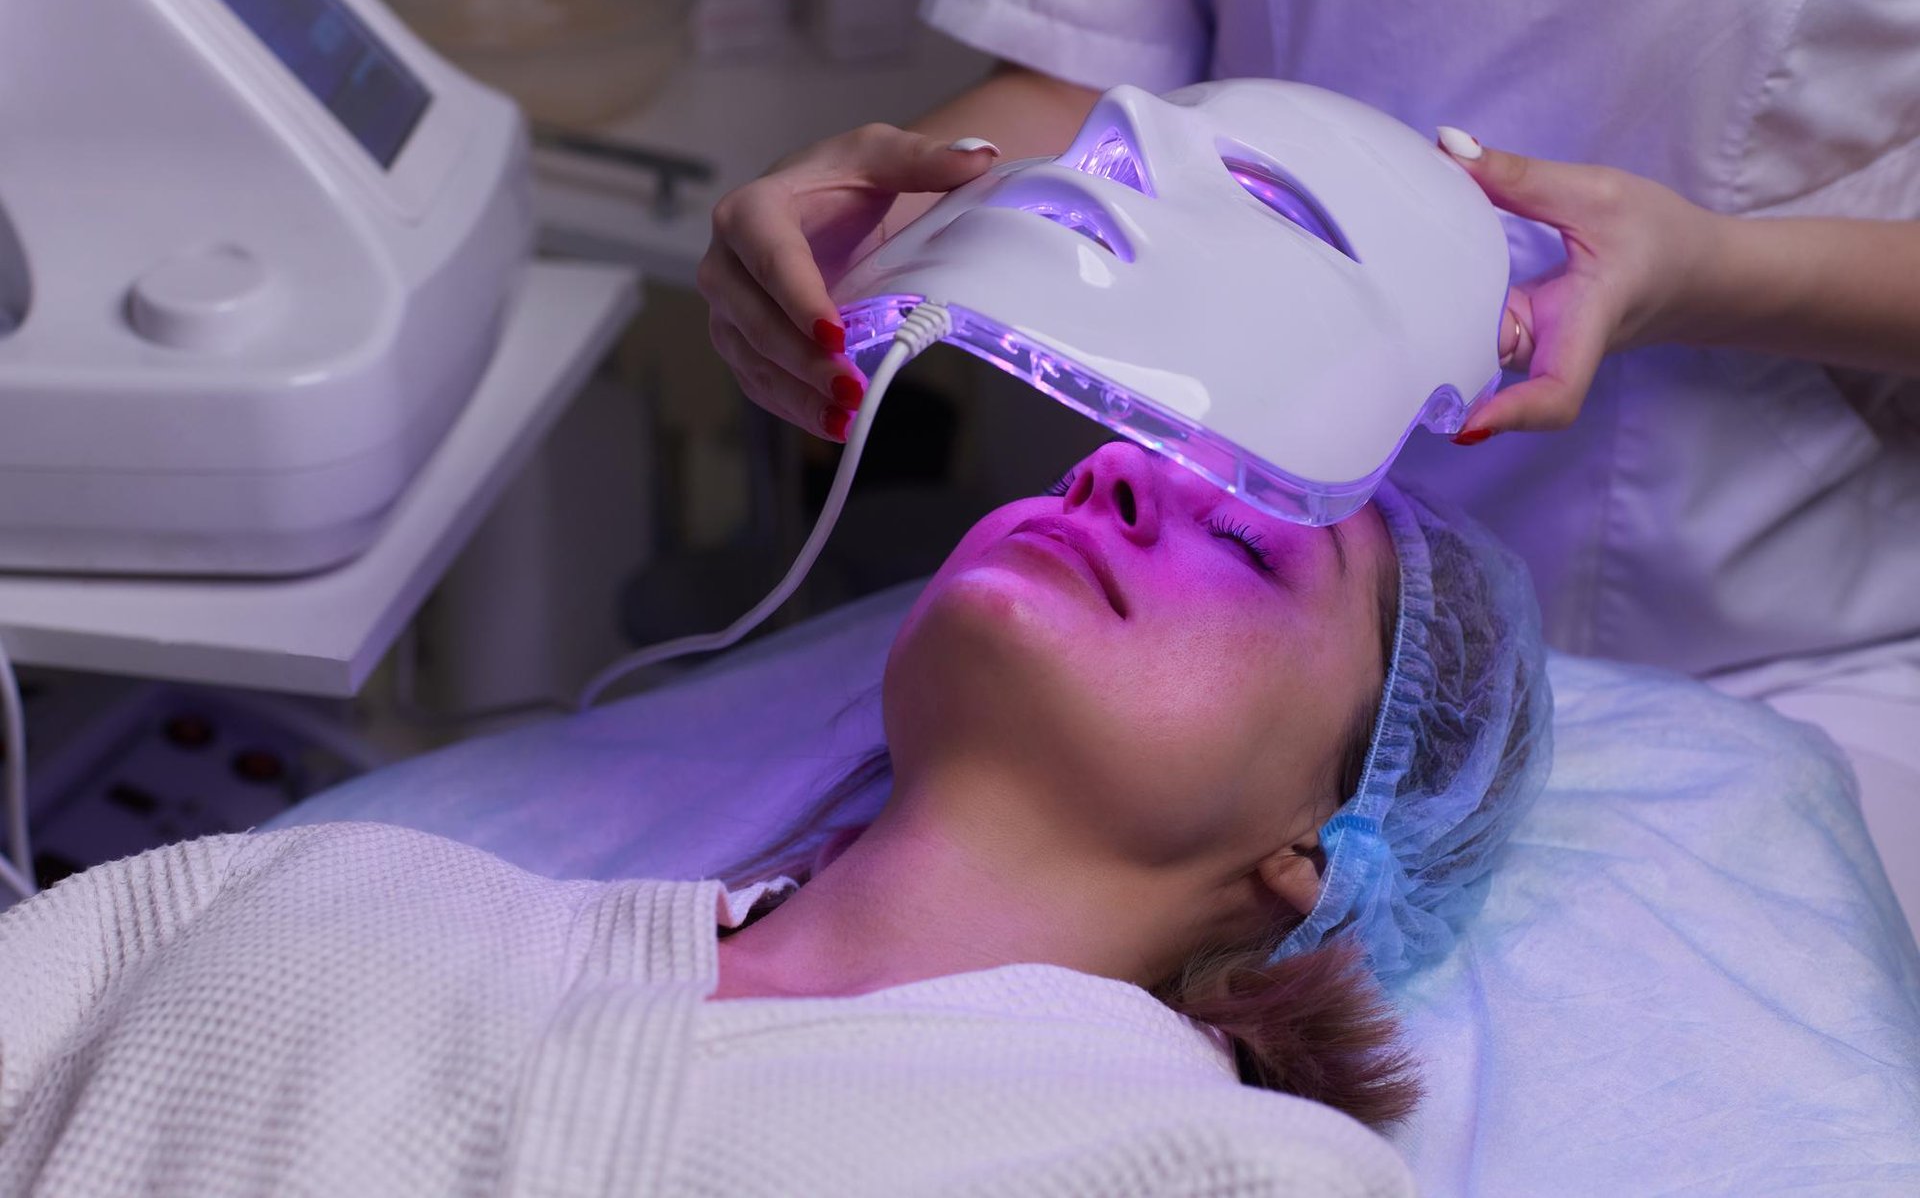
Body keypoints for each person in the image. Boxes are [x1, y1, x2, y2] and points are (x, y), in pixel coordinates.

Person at [695, 0, 1920, 925]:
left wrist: (1708, 272)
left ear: (1307, 874)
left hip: (1743, 626)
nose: (1110, 480)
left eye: (1244, 543)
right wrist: (918, 219)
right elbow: (1091, 75)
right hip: (1224, 560)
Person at [0, 444, 1548, 1194]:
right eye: (1121, 460)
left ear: (1320, 848)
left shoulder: (1226, 1173)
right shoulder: (313, 887)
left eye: (1261, 552)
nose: (1127, 489)